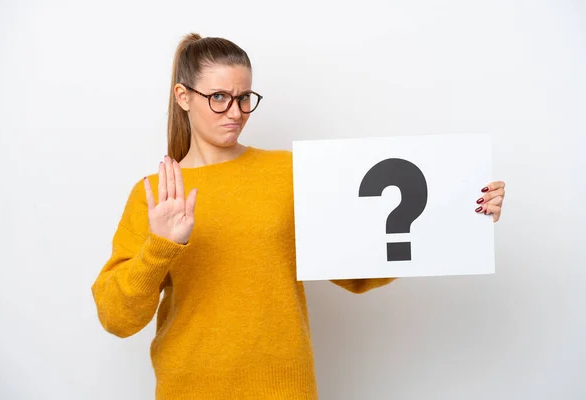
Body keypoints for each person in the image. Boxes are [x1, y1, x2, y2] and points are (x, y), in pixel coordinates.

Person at [90, 33, 507, 400]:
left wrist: (458, 214)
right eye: (218, 97)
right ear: (184, 97)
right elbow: (116, 317)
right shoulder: (155, 193)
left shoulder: (290, 174)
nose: (235, 112)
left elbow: (358, 270)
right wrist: (161, 247)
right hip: (188, 391)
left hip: (285, 390)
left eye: (243, 98)